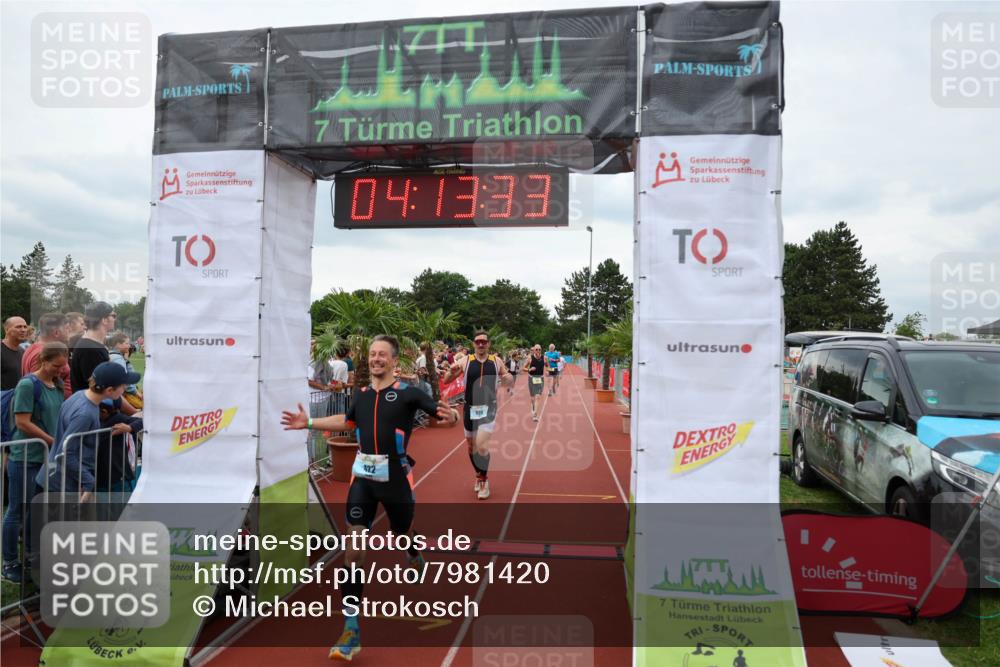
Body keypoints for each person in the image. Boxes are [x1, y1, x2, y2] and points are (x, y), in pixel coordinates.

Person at [281, 335, 458, 662]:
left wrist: (453, 418)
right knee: (355, 549)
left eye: (382, 355)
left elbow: (441, 412)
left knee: (401, 532)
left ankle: (412, 550)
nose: (376, 359)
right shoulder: (360, 395)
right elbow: (345, 422)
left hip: (396, 481)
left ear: (393, 361)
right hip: (363, 480)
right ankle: (351, 629)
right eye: (372, 354)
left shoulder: (408, 394)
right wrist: (308, 422)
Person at [2, 342, 68, 583]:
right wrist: (51, 440)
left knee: (36, 509)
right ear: (43, 360)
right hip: (26, 458)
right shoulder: (28, 385)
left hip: (45, 459)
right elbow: (22, 422)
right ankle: (9, 563)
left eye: (64, 365)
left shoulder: (57, 385)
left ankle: (31, 555)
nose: (61, 370)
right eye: (56, 365)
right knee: (17, 511)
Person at [36, 361, 139, 497]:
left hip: (54, 478)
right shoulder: (85, 414)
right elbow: (66, 453)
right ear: (109, 390)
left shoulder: (79, 395)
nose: (125, 388)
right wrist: (88, 480)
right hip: (61, 486)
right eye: (123, 385)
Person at [442, 330, 513, 500]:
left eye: (484, 342)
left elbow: (507, 377)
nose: (481, 344)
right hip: (469, 409)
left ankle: (484, 481)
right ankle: (478, 474)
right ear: (474, 344)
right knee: (471, 447)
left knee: (481, 446)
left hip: (489, 408)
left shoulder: (496, 361)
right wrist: (452, 371)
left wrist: (508, 377)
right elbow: (446, 380)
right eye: (477, 342)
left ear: (488, 344)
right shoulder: (465, 361)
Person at [21, 313, 72, 399]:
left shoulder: (33, 348)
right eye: (67, 328)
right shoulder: (43, 352)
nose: (69, 330)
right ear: (56, 333)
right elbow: (40, 388)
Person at [70, 302, 115, 393]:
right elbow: (98, 390)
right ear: (104, 320)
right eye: (113, 315)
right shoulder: (90, 349)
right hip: (94, 406)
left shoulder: (93, 345)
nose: (115, 319)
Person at [107, 331, 142, 410]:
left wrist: (126, 359)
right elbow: (126, 380)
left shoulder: (113, 356)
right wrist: (137, 393)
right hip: (122, 396)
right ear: (118, 344)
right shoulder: (118, 359)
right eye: (126, 343)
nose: (129, 346)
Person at [1, 316, 28, 390]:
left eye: (25, 327)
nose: (23, 330)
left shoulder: (23, 351)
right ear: (7, 330)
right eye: (18, 327)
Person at [525, 345, 546, 421]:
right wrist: (530, 369)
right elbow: (523, 368)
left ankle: (535, 414)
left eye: (539, 349)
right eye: (536, 349)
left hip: (540, 378)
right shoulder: (530, 358)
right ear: (534, 350)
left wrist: (548, 370)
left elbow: (547, 366)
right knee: (532, 397)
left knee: (538, 397)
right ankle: (533, 407)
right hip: (531, 378)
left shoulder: (544, 357)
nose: (538, 351)